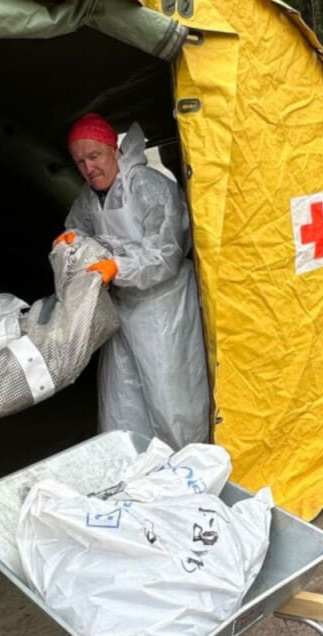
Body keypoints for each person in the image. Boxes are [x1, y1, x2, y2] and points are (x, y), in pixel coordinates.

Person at [61, 112, 211, 449]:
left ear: (113, 149)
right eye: (80, 162)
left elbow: (166, 254)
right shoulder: (89, 196)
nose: (88, 168)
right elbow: (78, 227)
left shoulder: (146, 186)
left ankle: (187, 464)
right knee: (123, 401)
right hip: (123, 309)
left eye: (94, 156)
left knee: (171, 398)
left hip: (163, 308)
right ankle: (136, 465)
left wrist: (119, 268)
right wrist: (73, 242)